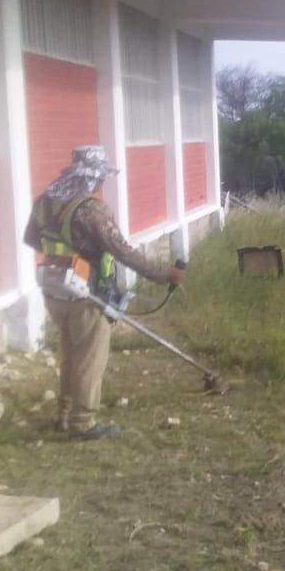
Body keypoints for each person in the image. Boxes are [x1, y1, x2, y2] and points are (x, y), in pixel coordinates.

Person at [23, 146, 184, 441]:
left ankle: (64, 414)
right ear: (93, 177)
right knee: (88, 358)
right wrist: (165, 274)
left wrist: (64, 253)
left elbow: (31, 239)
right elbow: (124, 253)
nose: (101, 185)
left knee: (70, 354)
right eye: (100, 179)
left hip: (53, 289)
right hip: (86, 293)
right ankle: (83, 423)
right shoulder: (91, 210)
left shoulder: (45, 201)